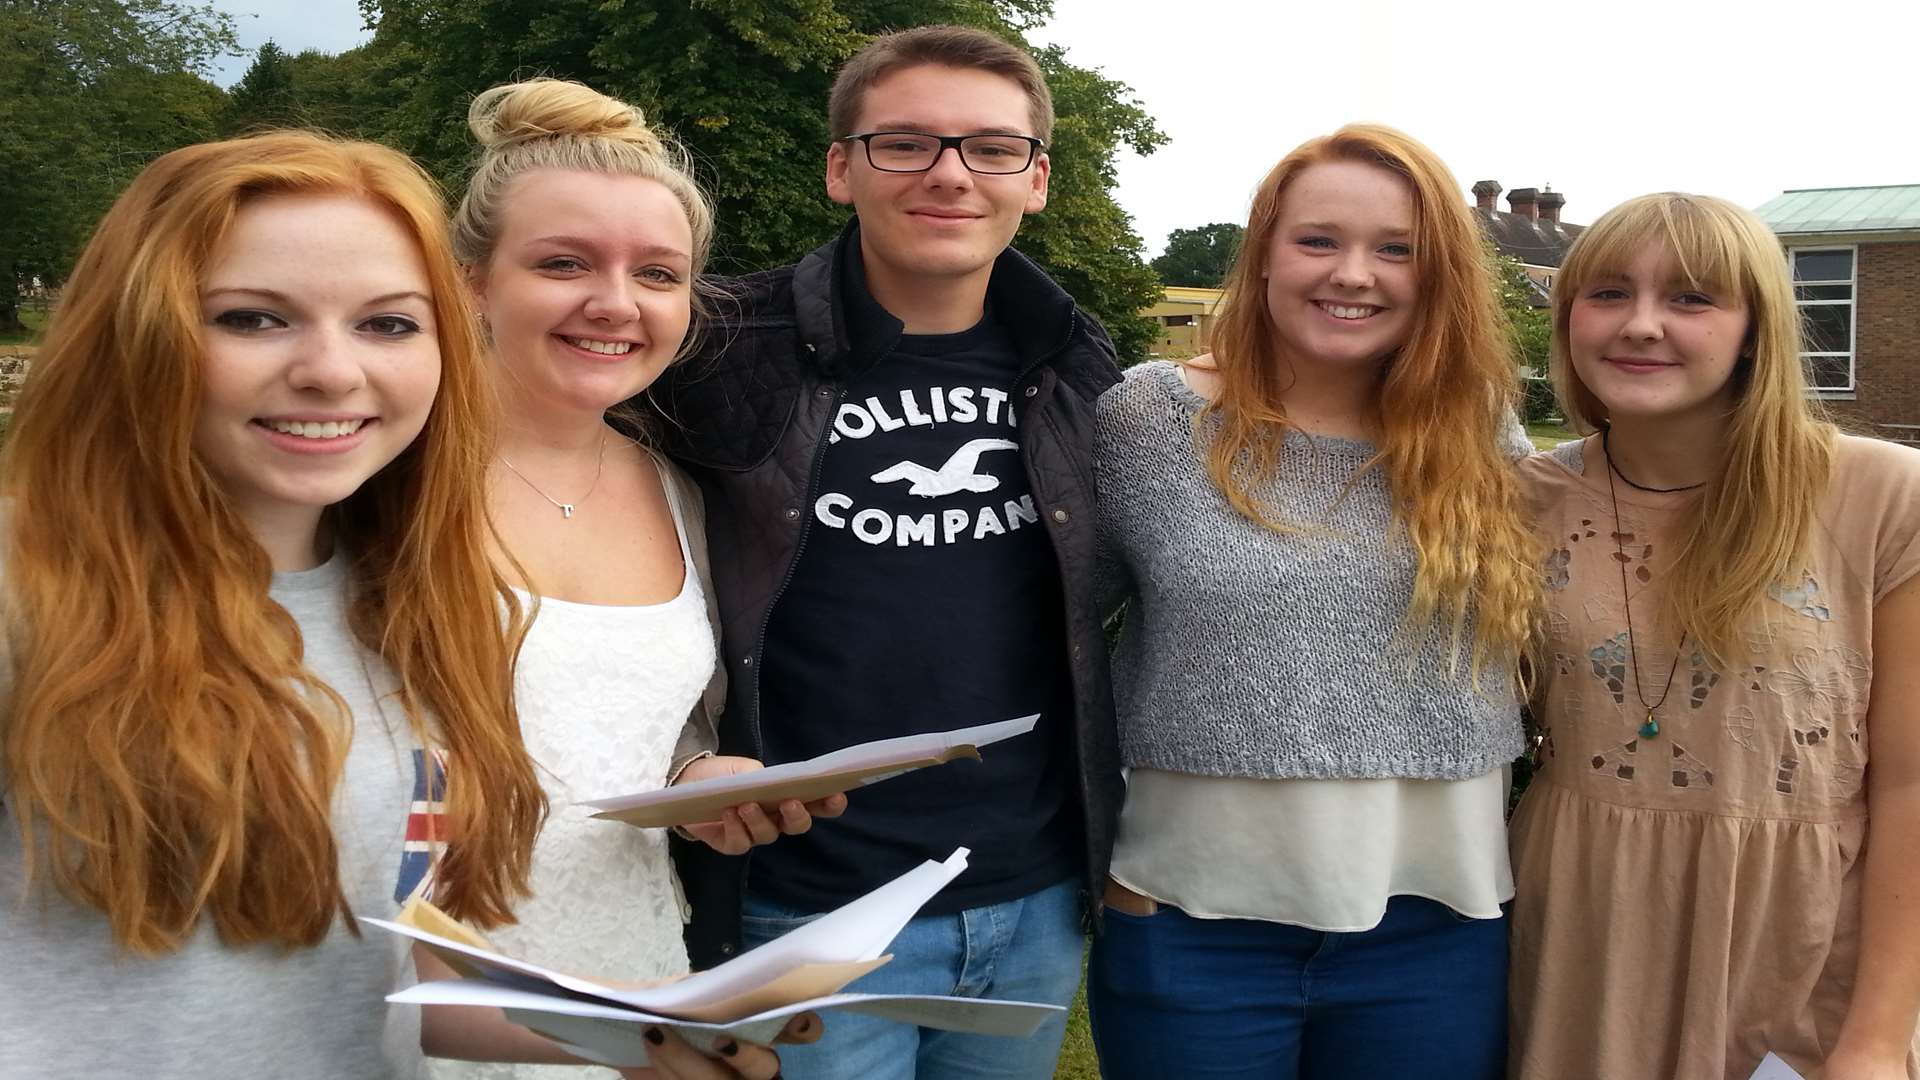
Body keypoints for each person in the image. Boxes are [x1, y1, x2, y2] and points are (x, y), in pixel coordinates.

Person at [0, 130, 795, 1080]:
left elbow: (391, 962)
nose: (333, 371)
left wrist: (641, 1028)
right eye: (252, 318)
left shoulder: (404, 598)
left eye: (385, 324)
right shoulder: (31, 585)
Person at [644, 24, 1124, 1080]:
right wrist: (680, 754)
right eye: (904, 143)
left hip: (1031, 896)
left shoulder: (1079, 359)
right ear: (840, 167)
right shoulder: (716, 346)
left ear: (1035, 180)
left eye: (991, 149)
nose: (950, 174)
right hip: (804, 902)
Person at [1085, 124, 1539, 1080]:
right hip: (1189, 925)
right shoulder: (1150, 420)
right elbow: (1049, 631)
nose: (1355, 274)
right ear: (1261, 257)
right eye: (1318, 240)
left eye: (1396, 249)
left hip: (1437, 928)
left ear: (1441, 273)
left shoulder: (1482, 436)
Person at [422, 76, 836, 1080]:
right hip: (427, 1005)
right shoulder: (381, 481)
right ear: (472, 278)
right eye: (564, 263)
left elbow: (644, 733)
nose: (615, 304)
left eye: (658, 273)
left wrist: (702, 780)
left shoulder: (680, 492)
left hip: (638, 984)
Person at [1508, 193, 1920, 1080]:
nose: (1642, 325)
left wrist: (1880, 1037)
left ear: (1753, 330)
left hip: (1799, 947)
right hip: (1580, 930)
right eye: (1609, 293)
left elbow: (1912, 784)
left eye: (1692, 299)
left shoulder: (1883, 496)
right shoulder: (1519, 501)